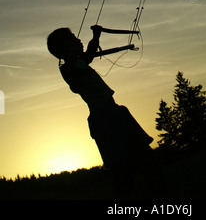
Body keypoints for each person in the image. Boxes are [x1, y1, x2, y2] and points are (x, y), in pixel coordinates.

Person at [47, 25, 154, 197]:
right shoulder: (68, 69)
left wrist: (96, 36)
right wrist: (77, 55)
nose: (78, 40)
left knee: (145, 158)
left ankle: (158, 191)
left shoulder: (78, 62)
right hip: (105, 119)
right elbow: (76, 78)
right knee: (123, 171)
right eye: (73, 39)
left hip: (115, 113)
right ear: (65, 48)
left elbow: (88, 54)